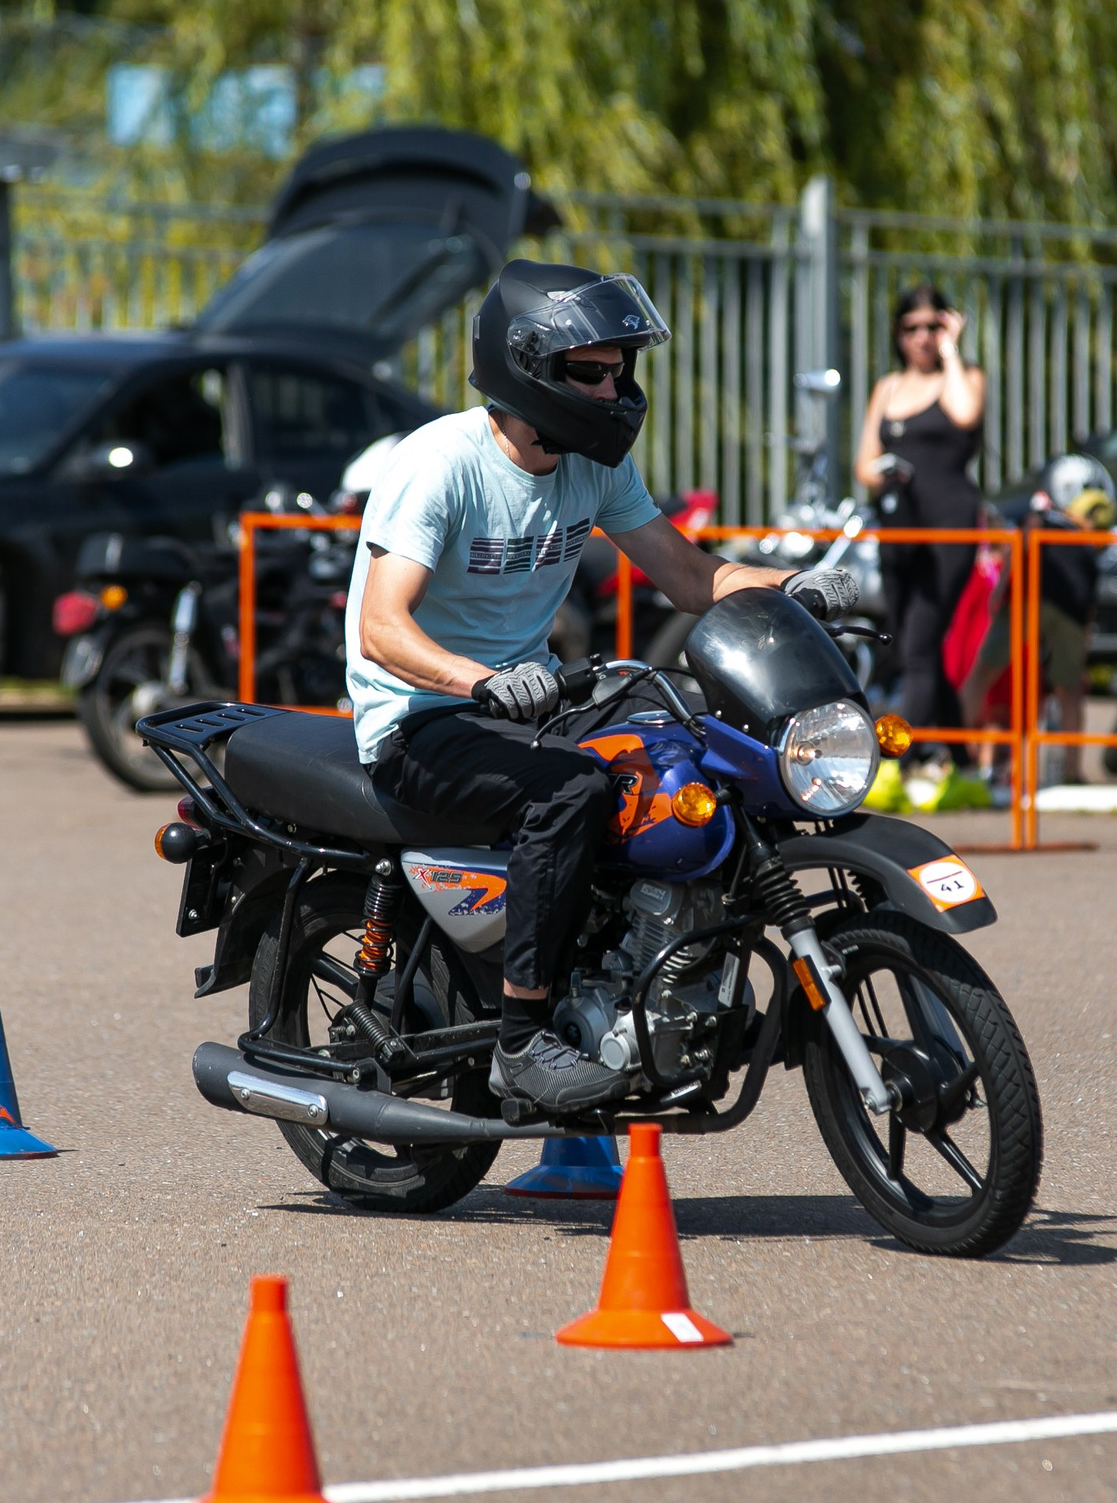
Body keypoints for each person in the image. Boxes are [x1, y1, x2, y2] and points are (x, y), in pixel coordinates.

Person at [347, 260, 857, 1115]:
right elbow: (382, 627)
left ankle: (649, 963)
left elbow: (691, 577)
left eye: (620, 367)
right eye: (593, 370)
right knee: (572, 790)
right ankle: (521, 1040)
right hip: (422, 717)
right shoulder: (440, 464)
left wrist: (789, 584)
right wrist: (483, 682)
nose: (614, 386)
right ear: (529, 367)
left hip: (531, 695)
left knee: (694, 742)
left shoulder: (591, 463)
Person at [854, 285, 987, 766]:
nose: (923, 337)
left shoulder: (965, 376)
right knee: (912, 641)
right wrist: (884, 470)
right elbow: (864, 463)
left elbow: (965, 414)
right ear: (898, 333)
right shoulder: (888, 387)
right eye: (912, 328)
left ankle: (903, 762)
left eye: (934, 326)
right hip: (899, 528)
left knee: (920, 643)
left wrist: (953, 349)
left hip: (949, 529)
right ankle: (965, 763)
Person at [957, 454, 1115, 786]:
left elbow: (1021, 546)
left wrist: (1001, 590)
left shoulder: (1040, 517)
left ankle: (957, 754)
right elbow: (1090, 584)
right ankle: (1072, 771)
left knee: (982, 677)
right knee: (1067, 689)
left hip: (1029, 598)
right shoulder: (1087, 526)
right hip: (1065, 606)